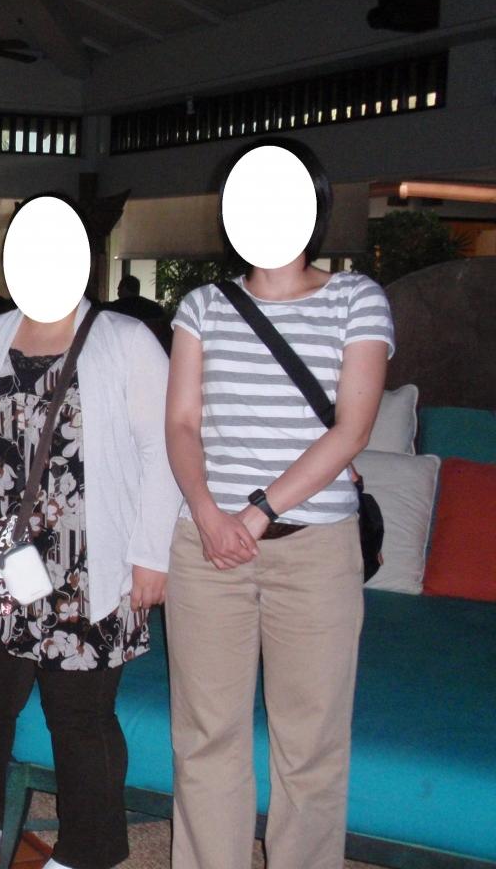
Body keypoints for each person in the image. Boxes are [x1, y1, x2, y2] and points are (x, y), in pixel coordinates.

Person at [163, 142, 394, 869]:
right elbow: (182, 424)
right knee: (206, 738)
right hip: (206, 546)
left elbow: (352, 429)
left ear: (313, 204)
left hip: (315, 548)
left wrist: (258, 512)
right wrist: (208, 513)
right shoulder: (202, 306)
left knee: (311, 747)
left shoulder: (357, 299)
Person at [0, 248, 181, 869]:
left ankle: (88, 853)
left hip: (89, 566)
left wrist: (151, 553)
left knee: (81, 718)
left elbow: (163, 451)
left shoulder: (125, 340)